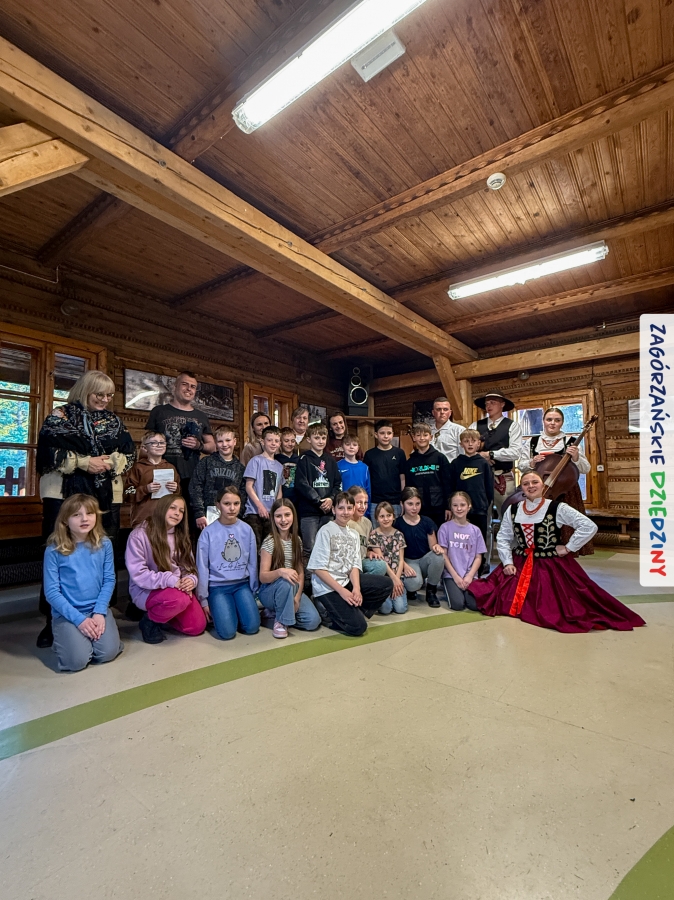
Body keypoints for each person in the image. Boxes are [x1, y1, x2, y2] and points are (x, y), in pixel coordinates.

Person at [468, 472, 646, 633]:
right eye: (526, 483)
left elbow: (588, 526)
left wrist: (569, 547)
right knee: (487, 594)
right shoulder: (513, 509)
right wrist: (507, 562)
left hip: (549, 564)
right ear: (521, 488)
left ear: (543, 485)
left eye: (535, 482)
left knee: (561, 602)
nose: (531, 486)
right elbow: (504, 536)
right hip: (520, 561)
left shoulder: (557, 508)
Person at [36, 369, 135, 648]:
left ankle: (101, 613)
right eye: (99, 394)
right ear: (84, 390)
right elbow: (46, 455)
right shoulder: (59, 417)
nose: (104, 399)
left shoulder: (114, 421)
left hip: (106, 495)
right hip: (62, 493)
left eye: (109, 395)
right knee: (59, 550)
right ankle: (52, 619)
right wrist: (84, 462)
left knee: (103, 550)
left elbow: (129, 455)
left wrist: (111, 462)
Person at [43, 493, 122, 672]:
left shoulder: (104, 544)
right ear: (65, 520)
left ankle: (84, 640)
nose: (84, 519)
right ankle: (66, 641)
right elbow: (52, 593)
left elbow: (109, 580)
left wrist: (100, 612)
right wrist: (80, 620)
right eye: (76, 515)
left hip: (97, 609)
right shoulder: (54, 550)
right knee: (76, 662)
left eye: (90, 513)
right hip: (68, 613)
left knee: (107, 653)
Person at [307, 491, 392, 637]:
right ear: (334, 510)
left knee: (386, 584)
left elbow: (354, 565)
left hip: (346, 581)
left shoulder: (353, 534)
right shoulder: (326, 531)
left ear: (353, 510)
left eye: (349, 508)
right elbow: (318, 569)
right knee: (358, 628)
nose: (345, 512)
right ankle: (326, 611)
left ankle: (353, 609)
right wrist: (342, 591)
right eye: (341, 508)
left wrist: (357, 589)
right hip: (327, 587)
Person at [125, 494, 207, 644]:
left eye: (181, 511)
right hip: (146, 589)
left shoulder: (180, 535)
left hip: (176, 589)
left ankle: (165, 614)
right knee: (179, 599)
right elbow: (139, 574)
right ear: (162, 508)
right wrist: (171, 580)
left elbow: (188, 566)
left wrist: (190, 580)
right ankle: (150, 620)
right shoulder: (139, 535)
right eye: (172, 508)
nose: (177, 513)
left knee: (197, 626)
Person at [145, 371, 215, 534]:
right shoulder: (159, 411)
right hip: (163, 475)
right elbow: (146, 442)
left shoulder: (201, 416)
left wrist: (198, 445)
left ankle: (186, 550)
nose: (189, 389)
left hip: (191, 476)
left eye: (193, 387)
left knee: (189, 523)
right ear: (174, 386)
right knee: (163, 519)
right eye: (185, 384)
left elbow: (212, 446)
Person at [520, 406, 593, 556]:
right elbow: (521, 466)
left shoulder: (571, 442)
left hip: (565, 491)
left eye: (557, 420)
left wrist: (576, 457)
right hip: (539, 490)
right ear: (543, 421)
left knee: (564, 527)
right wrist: (532, 462)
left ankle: (565, 556)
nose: (552, 423)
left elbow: (586, 468)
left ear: (562, 423)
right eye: (549, 419)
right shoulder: (532, 442)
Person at [196, 486, 260, 641]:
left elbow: (252, 563)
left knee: (252, 627)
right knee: (227, 633)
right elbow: (202, 567)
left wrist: (254, 590)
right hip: (218, 587)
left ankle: (235, 611)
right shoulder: (208, 533)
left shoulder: (247, 530)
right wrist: (203, 599)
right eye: (227, 504)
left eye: (236, 504)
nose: (232, 508)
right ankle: (225, 613)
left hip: (241, 585)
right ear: (218, 505)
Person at [259, 498, 321, 638]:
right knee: (286, 581)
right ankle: (281, 621)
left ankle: (275, 614)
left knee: (312, 621)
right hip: (271, 591)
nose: (283, 520)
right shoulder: (269, 541)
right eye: (278, 516)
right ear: (273, 518)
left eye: (287, 515)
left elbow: (300, 573)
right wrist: (280, 572)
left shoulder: (296, 540)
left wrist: (297, 598)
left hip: (293, 589)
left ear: (293, 515)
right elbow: (263, 577)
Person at [470, 391, 523, 519]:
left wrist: (491, 454)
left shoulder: (512, 426)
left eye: (492, 403)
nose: (489, 406)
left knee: (507, 514)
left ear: (502, 404)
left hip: (503, 476)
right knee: (480, 515)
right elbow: (466, 448)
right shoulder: (475, 426)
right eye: (487, 403)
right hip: (480, 477)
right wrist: (481, 457)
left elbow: (515, 452)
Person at [449, 428, 494, 575]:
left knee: (478, 540)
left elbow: (489, 487)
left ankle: (478, 572)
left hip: (479, 509)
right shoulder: (456, 463)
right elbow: (451, 486)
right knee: (460, 540)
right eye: (466, 441)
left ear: (478, 444)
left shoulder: (483, 464)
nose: (470, 444)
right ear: (461, 444)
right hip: (460, 511)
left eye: (473, 441)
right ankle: (461, 569)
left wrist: (486, 504)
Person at [294, 422, 342, 557]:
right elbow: (301, 484)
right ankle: (308, 572)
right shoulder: (304, 459)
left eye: (323, 438)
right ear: (309, 439)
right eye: (316, 438)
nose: (320, 441)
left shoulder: (330, 460)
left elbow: (337, 483)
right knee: (310, 547)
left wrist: (331, 499)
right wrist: (318, 501)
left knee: (328, 547)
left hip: (328, 511)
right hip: (309, 511)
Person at [394, 487, 445, 608]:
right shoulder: (397, 523)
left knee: (438, 557)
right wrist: (404, 565)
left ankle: (431, 591)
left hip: (423, 560)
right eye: (410, 504)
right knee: (414, 583)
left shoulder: (427, 522)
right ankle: (410, 588)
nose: (414, 508)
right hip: (408, 561)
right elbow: (394, 551)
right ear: (402, 504)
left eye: (417, 504)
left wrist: (437, 547)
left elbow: (433, 546)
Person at [190, 424, 245, 531]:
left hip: (231, 515)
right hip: (206, 517)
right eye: (220, 441)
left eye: (228, 440)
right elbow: (195, 487)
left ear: (234, 441)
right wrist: (199, 513)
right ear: (215, 443)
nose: (224, 444)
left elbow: (242, 494)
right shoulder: (206, 462)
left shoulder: (240, 468)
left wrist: (238, 515)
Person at [437, 492, 486, 611]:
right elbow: (444, 555)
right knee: (458, 605)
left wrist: (470, 576)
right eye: (455, 505)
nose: (459, 508)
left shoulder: (476, 530)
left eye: (462, 505)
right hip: (451, 575)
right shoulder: (444, 528)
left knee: (474, 605)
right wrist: (456, 577)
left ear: (469, 506)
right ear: (451, 507)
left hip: (470, 575)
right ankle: (448, 587)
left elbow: (478, 557)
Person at [124, 432, 180, 527]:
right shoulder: (138, 467)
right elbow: (127, 494)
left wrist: (176, 488)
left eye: (162, 442)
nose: (159, 445)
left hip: (165, 517)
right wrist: (146, 489)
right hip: (143, 517)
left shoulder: (171, 467)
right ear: (145, 448)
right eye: (153, 443)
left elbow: (178, 494)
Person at [403, 422, 452, 528]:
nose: (422, 438)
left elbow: (447, 483)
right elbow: (408, 487)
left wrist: (448, 507)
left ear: (431, 437)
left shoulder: (440, 458)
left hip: (439, 508)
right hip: (418, 509)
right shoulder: (410, 462)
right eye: (418, 435)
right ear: (414, 438)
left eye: (425, 435)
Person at [243, 425, 284, 547]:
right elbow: (249, 486)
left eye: (276, 441)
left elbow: (279, 491)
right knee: (254, 546)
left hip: (271, 513)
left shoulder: (279, 466)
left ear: (280, 443)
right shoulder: (256, 461)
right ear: (263, 441)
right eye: (269, 440)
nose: (273, 443)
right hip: (254, 512)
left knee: (269, 547)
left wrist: (276, 509)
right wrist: (260, 506)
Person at [368, 502, 408, 616]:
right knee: (386, 609)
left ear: (393, 516)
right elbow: (382, 561)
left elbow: (401, 560)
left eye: (388, 515)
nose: (386, 519)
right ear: (377, 519)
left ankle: (401, 591)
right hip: (384, 578)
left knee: (400, 609)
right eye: (382, 516)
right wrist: (393, 580)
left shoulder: (399, 535)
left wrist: (397, 580)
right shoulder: (374, 535)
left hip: (397, 575)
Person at [363, 419, 406, 523]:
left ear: (392, 434)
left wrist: (403, 499)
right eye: (382, 433)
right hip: (375, 501)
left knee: (394, 530)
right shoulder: (369, 455)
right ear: (376, 435)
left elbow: (402, 478)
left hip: (395, 501)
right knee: (376, 531)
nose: (386, 436)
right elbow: (366, 479)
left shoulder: (399, 453)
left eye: (389, 433)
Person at [346, 485, 387, 576]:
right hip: (348, 563)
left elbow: (367, 546)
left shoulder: (367, 523)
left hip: (362, 561)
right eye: (359, 502)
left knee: (380, 566)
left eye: (365, 503)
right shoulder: (345, 522)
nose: (363, 507)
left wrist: (369, 552)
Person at [430, 396, 464, 463]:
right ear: (433, 412)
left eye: (445, 409)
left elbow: (464, 455)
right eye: (438, 409)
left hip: (451, 468)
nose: (442, 412)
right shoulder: (427, 431)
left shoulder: (459, 431)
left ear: (450, 413)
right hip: (431, 468)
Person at [337, 433, 371, 500]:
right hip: (344, 502)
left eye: (354, 445)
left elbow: (368, 489)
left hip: (360, 502)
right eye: (348, 444)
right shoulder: (337, 466)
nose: (351, 447)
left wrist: (368, 505)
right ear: (342, 447)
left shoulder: (364, 467)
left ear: (358, 448)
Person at [275, 427, 300, 507]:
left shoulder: (299, 459)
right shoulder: (276, 459)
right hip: (282, 496)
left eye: (292, 441)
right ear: (280, 442)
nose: (290, 444)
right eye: (286, 441)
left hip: (297, 498)